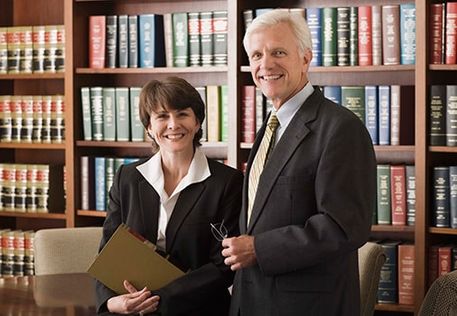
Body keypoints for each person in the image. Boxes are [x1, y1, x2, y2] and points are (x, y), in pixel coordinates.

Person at [221, 9, 376, 316]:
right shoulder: (269, 126)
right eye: (256, 55)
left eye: (278, 52)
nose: (265, 64)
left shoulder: (340, 128)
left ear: (306, 58)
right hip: (250, 301)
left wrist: (259, 248)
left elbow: (345, 227)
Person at [95, 77, 243, 316]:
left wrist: (157, 299)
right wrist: (113, 303)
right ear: (149, 129)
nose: (173, 124)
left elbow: (222, 267)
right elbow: (107, 255)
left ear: (197, 122)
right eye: (162, 116)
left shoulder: (227, 183)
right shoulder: (128, 178)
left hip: (199, 310)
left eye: (182, 114)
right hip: (131, 310)